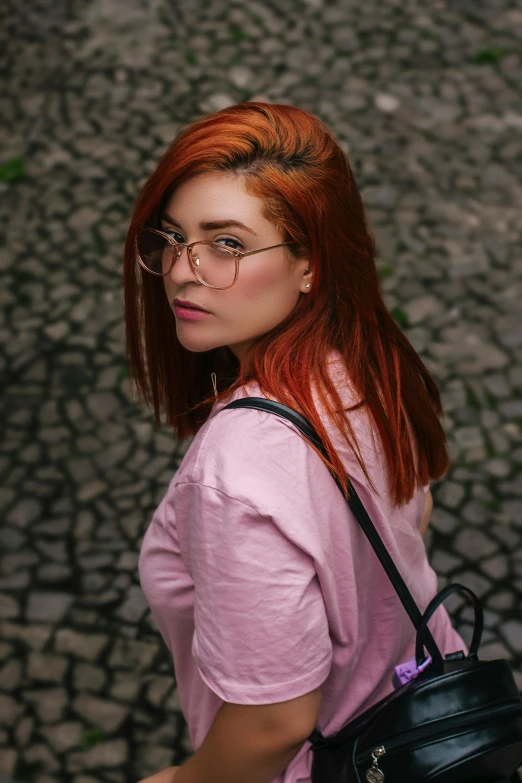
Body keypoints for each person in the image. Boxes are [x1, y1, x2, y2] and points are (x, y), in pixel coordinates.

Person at [123, 102, 466, 783]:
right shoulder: (365, 359)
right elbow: (413, 509)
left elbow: (274, 723)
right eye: (172, 236)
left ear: (310, 264)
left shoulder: (235, 471)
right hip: (430, 718)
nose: (183, 269)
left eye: (227, 243)